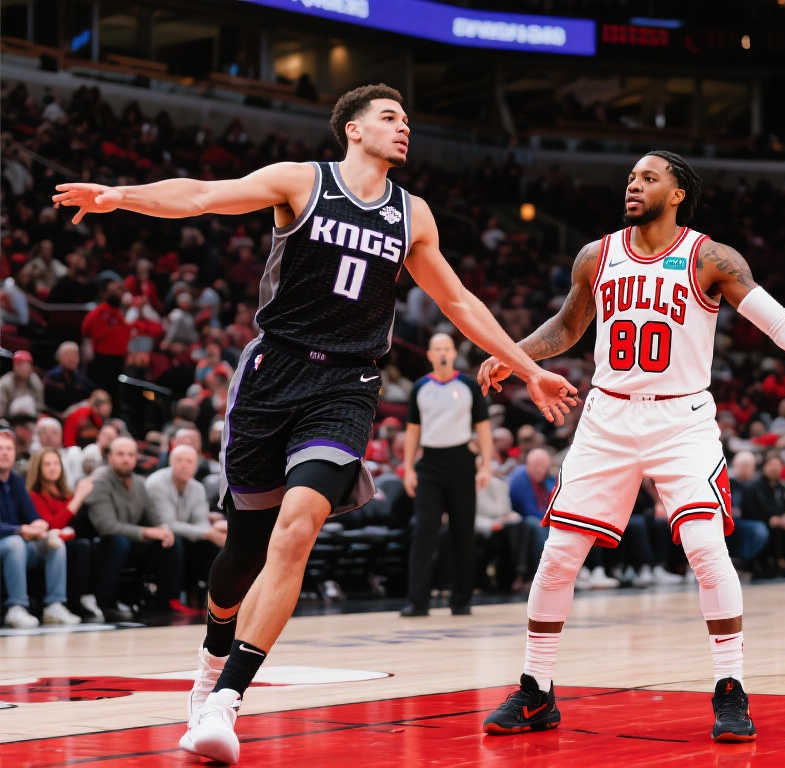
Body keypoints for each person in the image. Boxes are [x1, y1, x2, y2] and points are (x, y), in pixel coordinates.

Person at [54, 82, 577, 765]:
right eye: (390, 116)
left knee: (298, 527)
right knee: (242, 556)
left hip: (346, 385)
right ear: (353, 129)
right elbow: (203, 195)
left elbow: (459, 301)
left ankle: (226, 700)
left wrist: (529, 368)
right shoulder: (302, 181)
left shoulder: (412, 214)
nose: (404, 127)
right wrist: (121, 196)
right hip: (274, 373)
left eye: (407, 118)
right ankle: (210, 661)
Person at [477, 150, 785, 741]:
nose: (633, 185)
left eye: (648, 178)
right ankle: (537, 690)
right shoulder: (596, 255)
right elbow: (567, 327)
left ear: (677, 194)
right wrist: (513, 356)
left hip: (681, 418)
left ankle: (730, 688)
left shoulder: (710, 257)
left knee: (705, 547)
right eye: (630, 178)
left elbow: (778, 323)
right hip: (607, 416)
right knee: (559, 555)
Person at [400, 333, 491, 617]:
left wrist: (486, 465)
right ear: (429, 355)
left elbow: (483, 428)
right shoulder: (420, 387)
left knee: (463, 531)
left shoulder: (468, 385)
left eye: (446, 349)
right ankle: (418, 602)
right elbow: (412, 431)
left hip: (462, 461)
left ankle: (461, 600)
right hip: (429, 463)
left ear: (453, 354)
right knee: (424, 531)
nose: (442, 353)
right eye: (437, 349)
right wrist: (408, 468)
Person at [84, 437, 186, 620]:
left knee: (171, 542)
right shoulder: (99, 481)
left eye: (131, 455)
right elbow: (106, 526)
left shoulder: (139, 482)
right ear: (110, 457)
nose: (126, 459)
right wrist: (146, 532)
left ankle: (165, 602)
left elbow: (153, 517)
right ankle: (107, 603)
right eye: (120, 454)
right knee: (118, 543)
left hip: (131, 543)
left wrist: (164, 530)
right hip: (102, 544)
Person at [0, 431, 81, 628]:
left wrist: (39, 525)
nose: (5, 453)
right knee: (15, 543)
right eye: (0, 449)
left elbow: (32, 515)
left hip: (18, 544)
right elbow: (18, 529)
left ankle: (54, 605)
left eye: (9, 449)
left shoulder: (16, 481)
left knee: (54, 543)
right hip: (9, 542)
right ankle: (16, 607)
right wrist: (19, 529)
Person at [26, 448, 101, 620]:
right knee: (80, 548)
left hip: (70, 541)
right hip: (46, 545)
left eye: (56, 463)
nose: (53, 468)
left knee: (94, 543)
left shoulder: (66, 494)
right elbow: (52, 525)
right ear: (38, 469)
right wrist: (78, 498)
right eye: (47, 464)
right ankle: (71, 603)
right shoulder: (33, 496)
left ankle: (91, 598)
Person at [147, 445, 226, 604]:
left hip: (182, 536)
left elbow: (201, 522)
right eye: (179, 460)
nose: (184, 465)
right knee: (175, 542)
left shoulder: (197, 488)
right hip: (154, 536)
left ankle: (209, 598)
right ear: (170, 462)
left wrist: (214, 531)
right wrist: (208, 532)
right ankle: (170, 600)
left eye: (189, 461)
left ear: (196, 466)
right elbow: (167, 524)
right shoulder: (156, 483)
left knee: (210, 545)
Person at [507, 448, 557, 584]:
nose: (539, 470)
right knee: (535, 524)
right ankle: (543, 572)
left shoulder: (549, 479)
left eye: (543, 467)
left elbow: (556, 503)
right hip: (522, 521)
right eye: (536, 466)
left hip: (543, 519)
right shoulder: (519, 478)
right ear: (527, 464)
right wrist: (551, 520)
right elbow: (528, 510)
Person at [43, 341, 95, 414]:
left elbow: (94, 391)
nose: (73, 359)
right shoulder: (51, 377)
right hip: (54, 414)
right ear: (59, 357)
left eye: (76, 355)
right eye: (69, 355)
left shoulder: (79, 377)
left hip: (75, 414)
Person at [0, 350, 44, 420]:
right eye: (19, 365)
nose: (23, 368)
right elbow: (1, 409)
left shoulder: (34, 379)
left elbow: (39, 405)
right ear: (14, 366)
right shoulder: (5, 382)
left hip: (31, 419)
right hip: (9, 419)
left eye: (26, 365)